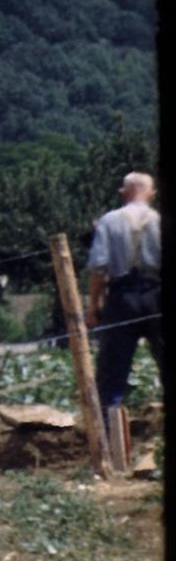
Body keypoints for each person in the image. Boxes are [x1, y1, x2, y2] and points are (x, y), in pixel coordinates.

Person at [86, 171, 164, 412]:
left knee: (112, 372)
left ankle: (110, 439)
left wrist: (93, 306)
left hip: (121, 298)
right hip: (157, 298)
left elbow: (99, 269)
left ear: (123, 193)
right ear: (152, 194)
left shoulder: (108, 221)